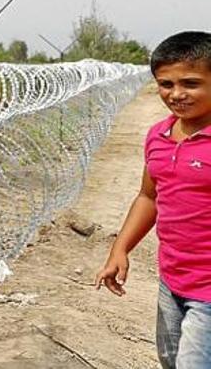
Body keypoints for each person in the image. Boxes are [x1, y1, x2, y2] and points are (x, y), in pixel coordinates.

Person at [95, 31, 211, 368]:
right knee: (171, 361)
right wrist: (120, 248)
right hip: (172, 280)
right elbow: (149, 196)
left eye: (190, 83)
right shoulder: (158, 136)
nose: (176, 94)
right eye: (165, 84)